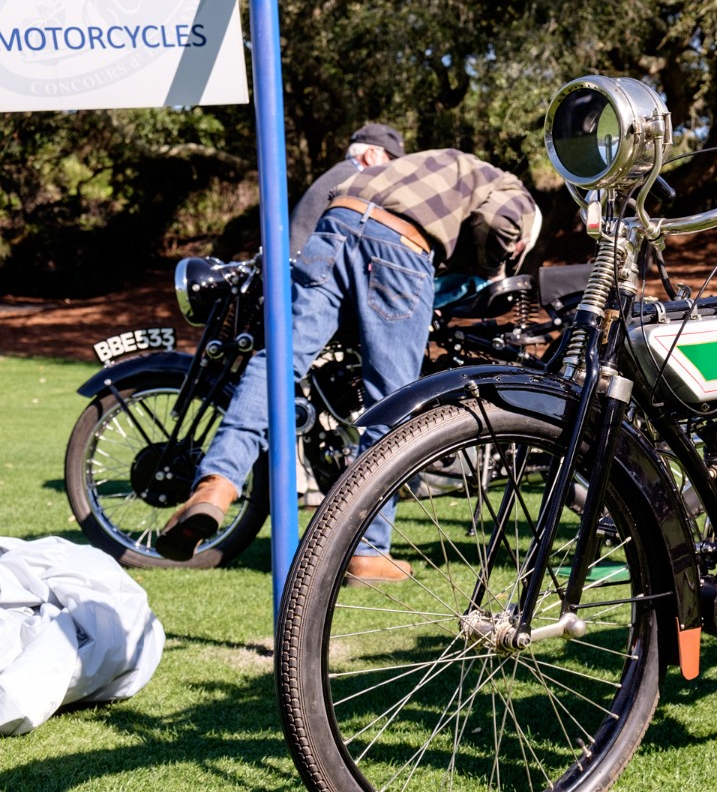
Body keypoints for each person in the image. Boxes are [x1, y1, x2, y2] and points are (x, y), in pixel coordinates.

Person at [157, 146, 541, 581]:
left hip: (335, 225)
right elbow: (498, 224)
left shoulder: (429, 162)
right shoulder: (513, 189)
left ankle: (218, 483)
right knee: (392, 401)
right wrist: (499, 257)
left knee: (278, 364)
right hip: (399, 245)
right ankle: (368, 548)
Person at [289, 123, 406, 256]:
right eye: (390, 159)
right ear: (371, 155)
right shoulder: (355, 180)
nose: (393, 167)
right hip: (305, 263)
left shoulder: (343, 172)